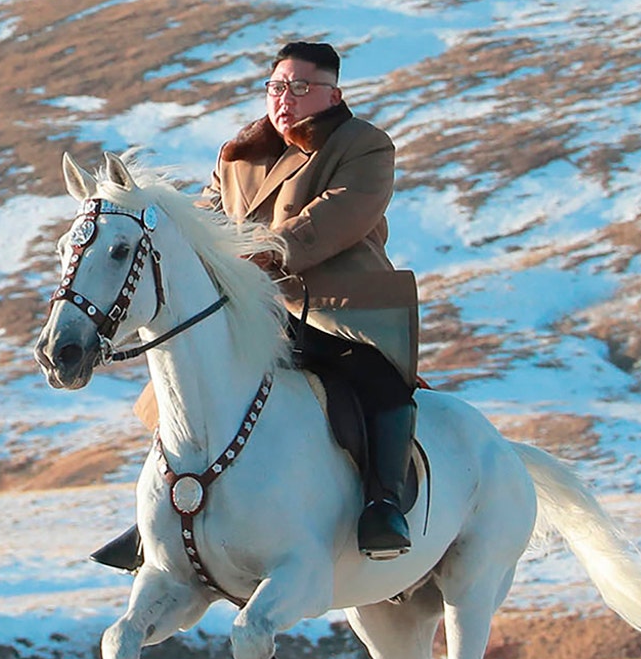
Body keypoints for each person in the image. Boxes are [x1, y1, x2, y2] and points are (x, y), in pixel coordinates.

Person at [89, 40, 419, 569]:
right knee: (181, 388)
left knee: (379, 384)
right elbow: (204, 220)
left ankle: (382, 505)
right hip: (250, 307)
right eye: (276, 87)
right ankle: (164, 516)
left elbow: (336, 217)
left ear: (333, 94)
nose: (283, 98)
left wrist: (258, 254)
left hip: (333, 306)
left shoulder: (364, 146)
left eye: (300, 88)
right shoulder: (237, 153)